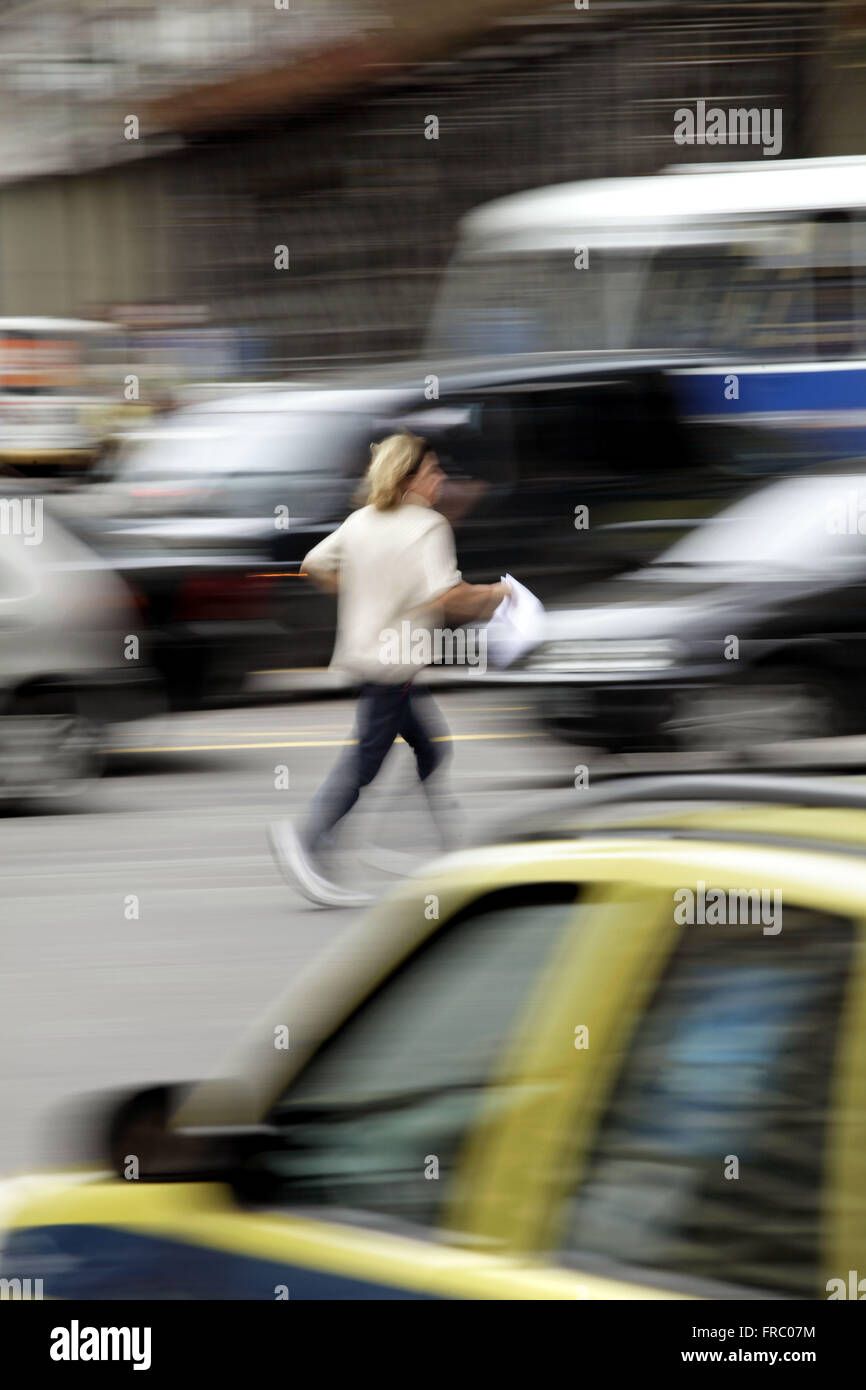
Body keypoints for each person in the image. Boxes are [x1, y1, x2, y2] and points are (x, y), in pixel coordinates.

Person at [269, 430, 510, 907]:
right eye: (433, 470)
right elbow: (449, 595)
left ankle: (406, 845)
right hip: (393, 664)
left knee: (431, 748)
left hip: (369, 657)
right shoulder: (427, 526)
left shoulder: (363, 520)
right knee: (366, 760)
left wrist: (364, 591)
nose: (441, 478)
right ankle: (309, 840)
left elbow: (314, 564)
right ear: (408, 478)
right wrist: (500, 596)